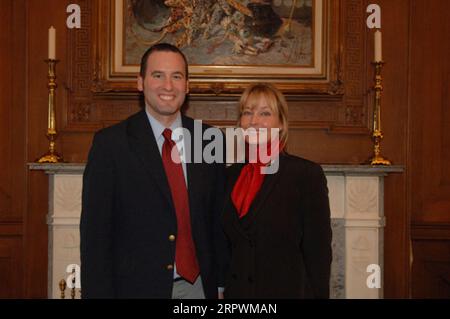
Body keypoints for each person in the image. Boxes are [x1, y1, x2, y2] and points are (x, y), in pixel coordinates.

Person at [80, 43, 228, 298]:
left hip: (199, 288)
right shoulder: (111, 144)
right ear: (140, 82)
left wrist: (223, 285)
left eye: (177, 76)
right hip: (135, 288)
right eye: (158, 75)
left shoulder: (209, 139)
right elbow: (95, 235)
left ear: (187, 86)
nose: (168, 86)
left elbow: (218, 221)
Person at [222, 83, 332, 298]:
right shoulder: (229, 176)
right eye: (247, 113)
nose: (254, 121)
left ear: (281, 123)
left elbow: (318, 254)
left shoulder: (306, 175)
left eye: (265, 113)